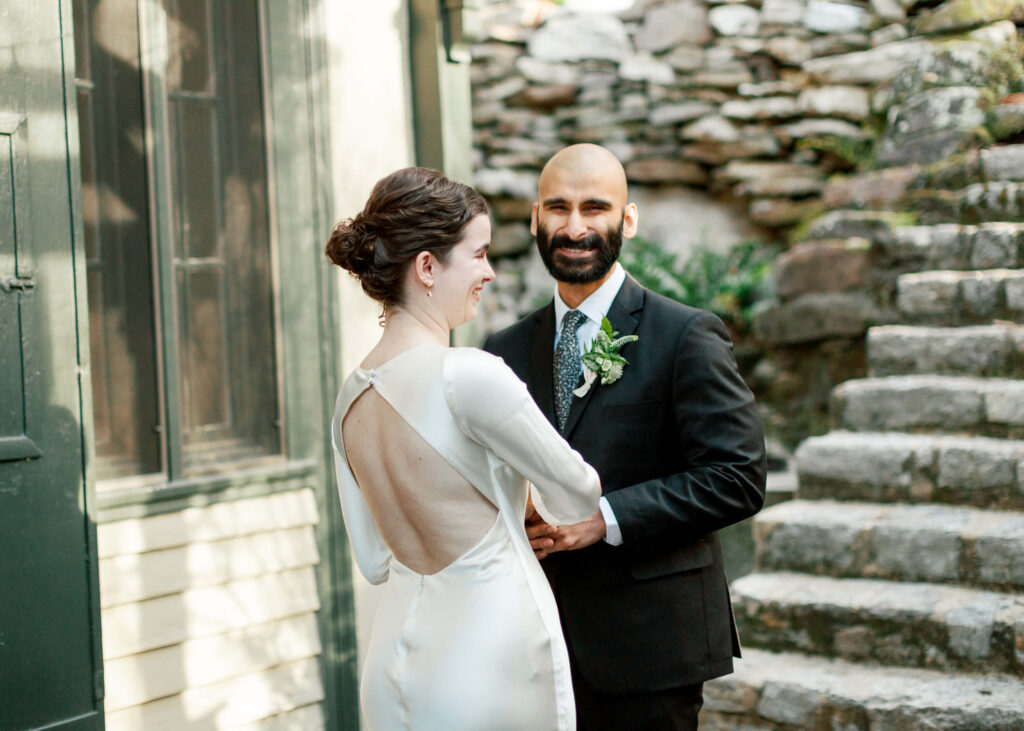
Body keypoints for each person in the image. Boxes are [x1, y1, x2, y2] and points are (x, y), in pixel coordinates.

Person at [483, 144, 767, 730]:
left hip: (651, 646)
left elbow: (736, 478)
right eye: (557, 208)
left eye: (595, 208)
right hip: (534, 646)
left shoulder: (686, 335)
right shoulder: (503, 353)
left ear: (627, 220)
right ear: (536, 219)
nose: (575, 226)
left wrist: (603, 518)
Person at [326, 166, 601, 730]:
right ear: (427, 266)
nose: (490, 272)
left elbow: (375, 559)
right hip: (488, 660)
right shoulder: (468, 376)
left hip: (394, 665)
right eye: (477, 255)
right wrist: (524, 505)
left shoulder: (349, 399)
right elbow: (578, 492)